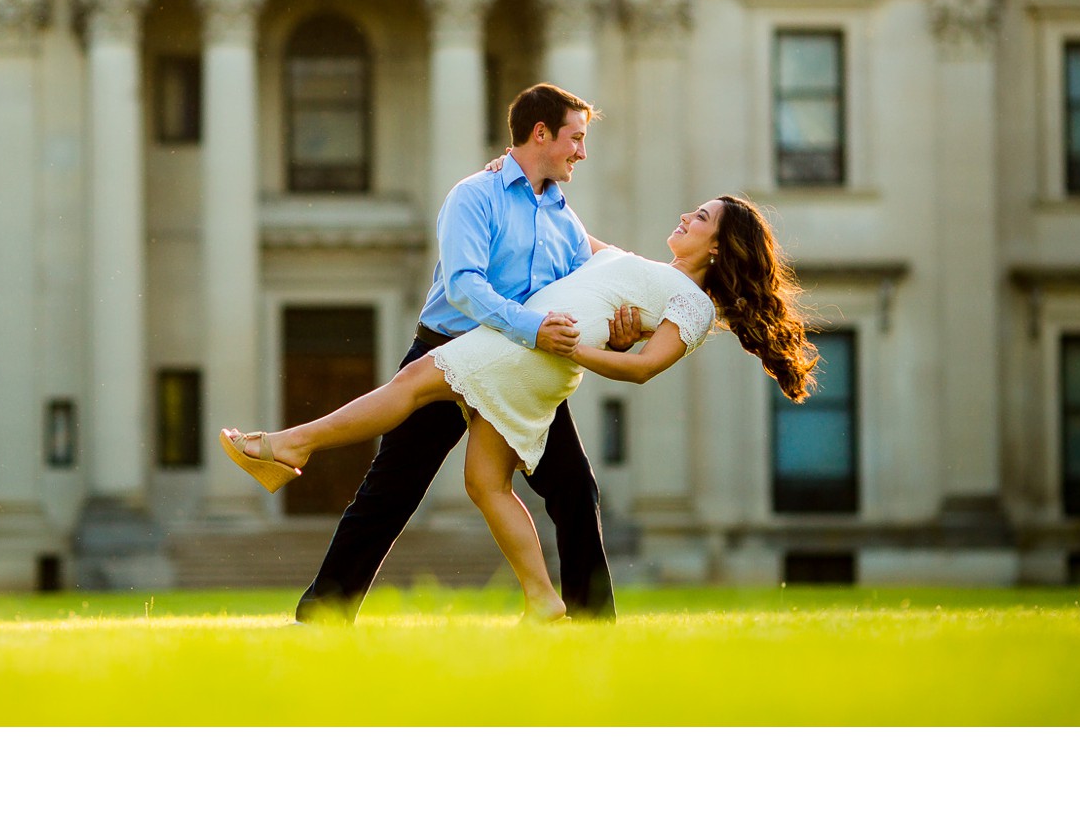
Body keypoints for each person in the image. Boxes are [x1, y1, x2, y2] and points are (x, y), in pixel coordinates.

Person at [224, 192, 818, 622]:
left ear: (719, 248)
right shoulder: (643, 269)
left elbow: (642, 368)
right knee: (485, 482)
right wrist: (502, 183)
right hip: (531, 357)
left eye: (702, 218)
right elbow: (572, 232)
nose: (686, 215)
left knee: (407, 388)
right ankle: (543, 599)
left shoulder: (692, 304)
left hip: (525, 352)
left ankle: (288, 444)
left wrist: (576, 346)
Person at [241, 84, 634, 624]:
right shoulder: (474, 196)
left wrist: (622, 331)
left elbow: (587, 293)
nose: (582, 153)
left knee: (573, 489)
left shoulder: (565, 222)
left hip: (517, 362)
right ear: (540, 133)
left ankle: (592, 623)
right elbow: (464, 287)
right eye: (576, 139)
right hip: (449, 351)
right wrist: (534, 327)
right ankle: (324, 615)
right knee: (390, 493)